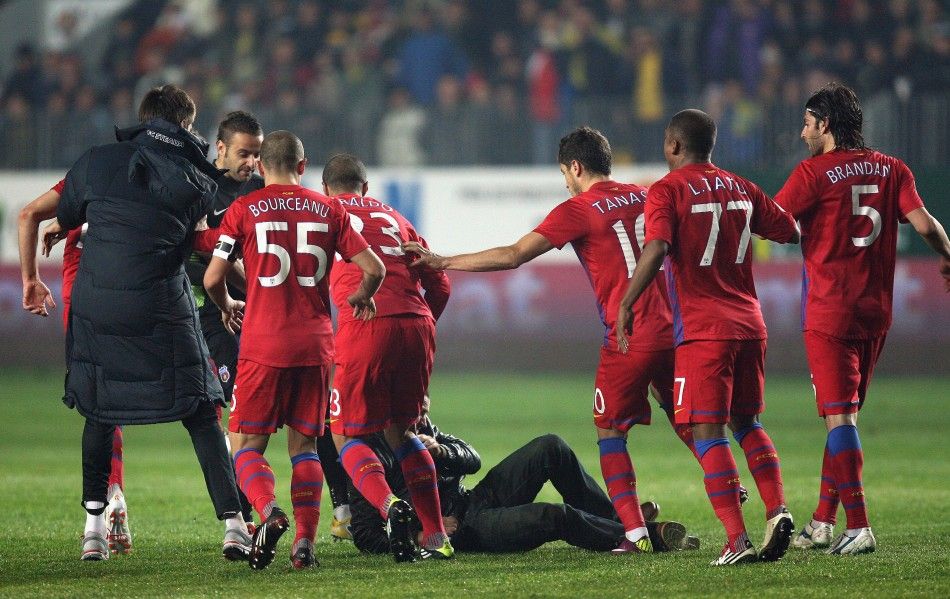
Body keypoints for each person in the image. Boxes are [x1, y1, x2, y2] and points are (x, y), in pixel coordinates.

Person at [403, 126, 701, 554]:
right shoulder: (645, 194)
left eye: (565, 173)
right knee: (687, 414)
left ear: (575, 167)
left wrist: (443, 260)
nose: (565, 181)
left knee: (610, 430)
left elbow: (514, 255)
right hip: (675, 328)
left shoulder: (579, 208)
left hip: (629, 331)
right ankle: (726, 484)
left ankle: (633, 533)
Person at [52, 84, 247, 562]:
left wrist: (47, 253)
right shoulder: (198, 180)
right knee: (202, 410)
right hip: (160, 302)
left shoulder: (95, 160)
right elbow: (199, 244)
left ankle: (94, 528)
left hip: (98, 305)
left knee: (98, 409)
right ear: (184, 125)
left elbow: (63, 217)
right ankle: (235, 525)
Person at [615, 109, 800, 566]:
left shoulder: (667, 190)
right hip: (750, 326)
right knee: (748, 424)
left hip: (703, 330)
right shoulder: (741, 186)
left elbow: (657, 247)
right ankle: (778, 511)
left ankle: (736, 540)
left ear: (674, 145)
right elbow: (791, 230)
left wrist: (626, 302)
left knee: (707, 430)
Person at [773, 83, 950, 555]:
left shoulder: (813, 172)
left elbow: (775, 221)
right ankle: (822, 522)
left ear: (826, 124)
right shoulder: (893, 168)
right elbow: (925, 224)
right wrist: (949, 256)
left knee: (840, 417)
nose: (803, 131)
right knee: (844, 417)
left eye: (808, 123)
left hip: (831, 311)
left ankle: (860, 526)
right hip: (876, 312)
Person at [203, 132, 384, 570]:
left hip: (262, 344)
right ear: (303, 168)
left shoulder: (243, 210)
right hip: (316, 345)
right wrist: (362, 295)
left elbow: (212, 279)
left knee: (246, 444)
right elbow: (374, 269)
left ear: (261, 166)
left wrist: (227, 305)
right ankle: (305, 544)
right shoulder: (331, 209)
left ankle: (269, 513)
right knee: (305, 448)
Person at [343, 398, 699, 555]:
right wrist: (422, 533)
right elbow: (364, 534)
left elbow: (473, 459)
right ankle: (641, 535)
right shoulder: (368, 454)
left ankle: (616, 517)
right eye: (415, 401)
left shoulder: (421, 427)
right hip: (465, 529)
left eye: (424, 400)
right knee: (552, 516)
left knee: (551, 446)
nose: (421, 407)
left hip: (474, 500)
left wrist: (442, 451)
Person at [322, 153, 454, 562]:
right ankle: (436, 537)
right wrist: (418, 325)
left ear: (326, 189)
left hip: (366, 321)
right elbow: (442, 286)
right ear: (365, 188)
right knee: (402, 431)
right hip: (417, 324)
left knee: (346, 434)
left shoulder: (323, 212)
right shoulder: (397, 218)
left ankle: (390, 506)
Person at [19, 182, 131, 555]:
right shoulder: (143, 177)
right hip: (132, 295)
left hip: (80, 300)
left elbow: (27, 214)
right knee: (195, 405)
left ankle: (102, 509)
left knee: (100, 409)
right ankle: (232, 520)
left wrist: (31, 279)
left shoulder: (84, 178)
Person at [187, 110, 265, 536]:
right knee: (236, 407)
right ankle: (244, 516)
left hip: (263, 312)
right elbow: (193, 256)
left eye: (256, 153)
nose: (251, 162)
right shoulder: (200, 187)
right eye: (243, 153)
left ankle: (342, 507)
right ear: (220, 147)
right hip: (218, 313)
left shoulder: (260, 191)